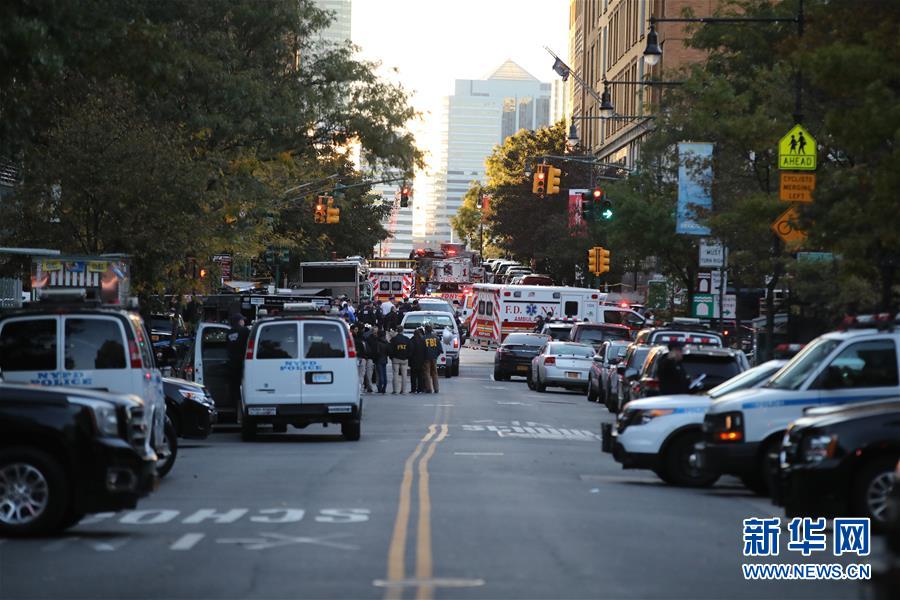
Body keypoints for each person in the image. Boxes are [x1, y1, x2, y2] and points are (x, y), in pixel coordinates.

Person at [225, 313, 250, 410]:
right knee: (243, 385)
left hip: (231, 362)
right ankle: (241, 406)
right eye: (242, 320)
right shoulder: (244, 330)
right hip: (242, 362)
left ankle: (234, 406)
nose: (244, 321)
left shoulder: (229, 333)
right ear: (239, 321)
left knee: (234, 385)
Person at [389, 325, 411, 394]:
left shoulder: (394, 339)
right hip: (404, 359)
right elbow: (410, 349)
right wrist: (407, 356)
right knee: (404, 375)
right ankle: (403, 390)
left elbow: (390, 349)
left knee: (395, 374)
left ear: (397, 331)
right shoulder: (407, 339)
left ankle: (395, 390)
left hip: (395, 358)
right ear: (402, 331)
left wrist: (391, 357)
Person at [423, 323, 443, 393]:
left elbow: (421, 349)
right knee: (435, 373)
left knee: (427, 373)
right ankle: (436, 388)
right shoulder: (436, 338)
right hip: (434, 358)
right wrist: (436, 356)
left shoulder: (423, 338)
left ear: (425, 330)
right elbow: (440, 350)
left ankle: (429, 388)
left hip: (426, 358)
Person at [371, 329, 390, 394]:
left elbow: (377, 352)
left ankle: (380, 388)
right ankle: (384, 387)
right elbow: (388, 351)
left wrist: (374, 359)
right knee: (384, 374)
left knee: (380, 375)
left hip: (378, 360)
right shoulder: (386, 342)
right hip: (384, 359)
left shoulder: (377, 342)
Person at [409, 327, 427, 393]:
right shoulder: (423, 341)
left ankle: (413, 389)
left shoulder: (411, 340)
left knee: (413, 376)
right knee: (420, 375)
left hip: (413, 361)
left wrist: (409, 359)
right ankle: (420, 388)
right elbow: (425, 351)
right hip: (421, 361)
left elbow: (410, 351)